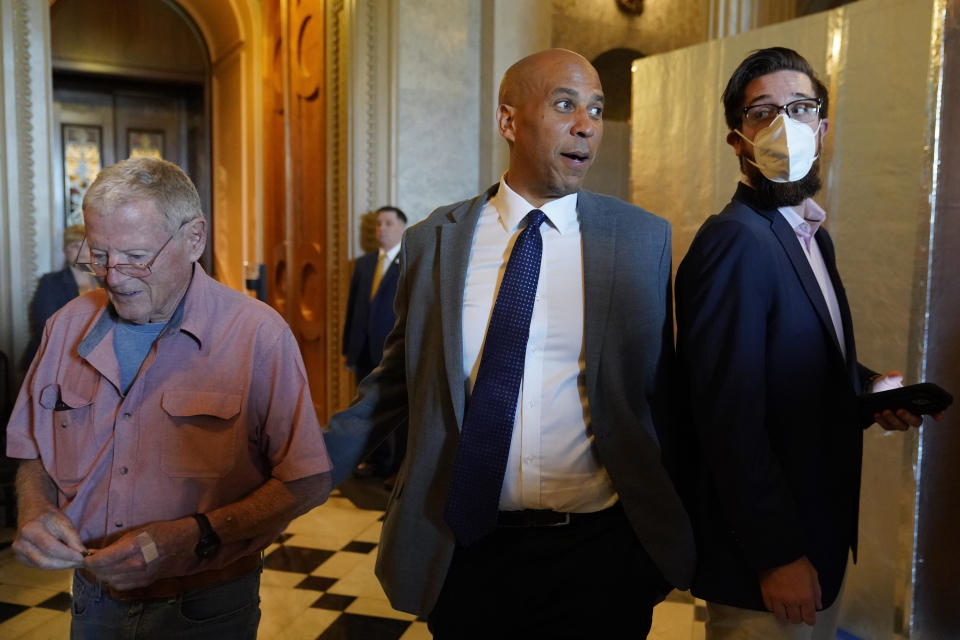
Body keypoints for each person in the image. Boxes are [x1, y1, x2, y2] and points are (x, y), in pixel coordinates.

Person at [324, 48, 694, 638]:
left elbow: (668, 391)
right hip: (467, 551)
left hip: (601, 555)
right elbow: (397, 379)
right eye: (565, 104)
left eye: (596, 110)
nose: (586, 125)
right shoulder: (434, 243)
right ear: (509, 121)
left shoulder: (641, 239)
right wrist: (304, 471)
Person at [6, 157, 332, 639]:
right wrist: (34, 507)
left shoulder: (258, 334)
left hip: (207, 606)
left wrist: (198, 536)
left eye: (136, 256)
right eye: (98, 255)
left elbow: (307, 480)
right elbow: (32, 450)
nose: (113, 276)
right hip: (92, 599)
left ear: (193, 239)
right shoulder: (65, 326)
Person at [675, 47, 935, 639]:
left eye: (799, 107)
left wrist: (868, 388)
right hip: (771, 564)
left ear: (821, 127)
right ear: (737, 140)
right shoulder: (734, 241)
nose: (784, 126)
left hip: (818, 536)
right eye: (763, 112)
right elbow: (727, 415)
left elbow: (791, 360)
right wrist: (776, 554)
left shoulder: (808, 234)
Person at [342, 206, 407, 481]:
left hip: (394, 351)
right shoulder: (364, 263)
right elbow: (353, 308)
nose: (382, 228)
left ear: (403, 228)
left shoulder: (410, 261)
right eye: (378, 224)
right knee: (366, 409)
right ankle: (374, 462)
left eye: (389, 223)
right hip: (364, 350)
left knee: (397, 412)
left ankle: (397, 466)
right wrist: (348, 348)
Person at [19, 224, 100, 371]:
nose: (82, 251)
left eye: (87, 245)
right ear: (65, 251)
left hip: (96, 359)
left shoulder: (106, 280)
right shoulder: (50, 282)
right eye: (75, 245)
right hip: (53, 359)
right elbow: (45, 324)